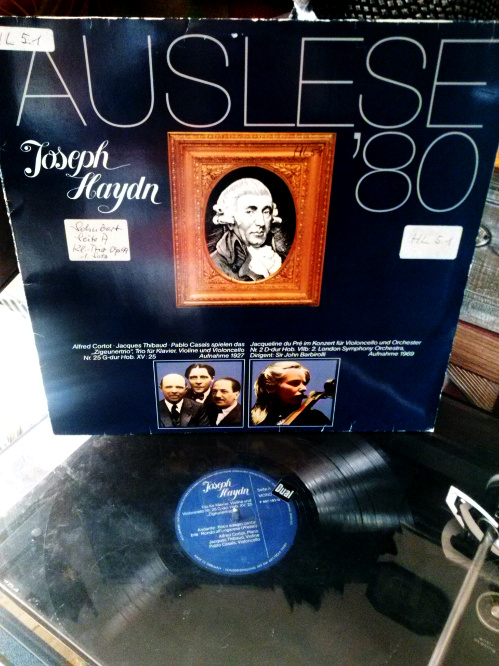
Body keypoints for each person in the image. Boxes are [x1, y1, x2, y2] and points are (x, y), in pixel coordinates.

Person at [209, 178, 289, 281]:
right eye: (250, 212)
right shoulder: (214, 266)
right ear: (230, 221)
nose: (261, 222)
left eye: (266, 212)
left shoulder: (282, 260)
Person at [251, 361, 331, 426]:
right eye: (294, 383)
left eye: (304, 383)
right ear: (270, 388)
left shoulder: (315, 418)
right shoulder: (250, 418)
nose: (304, 388)